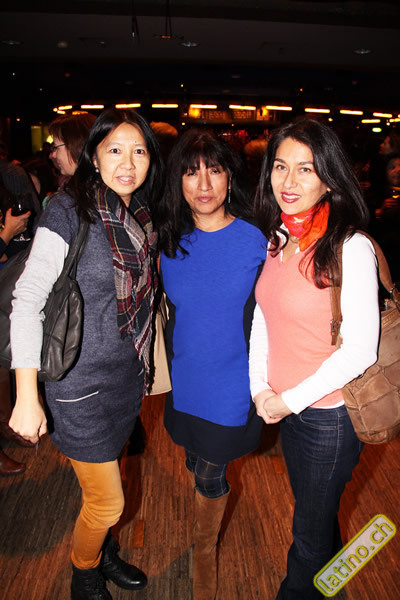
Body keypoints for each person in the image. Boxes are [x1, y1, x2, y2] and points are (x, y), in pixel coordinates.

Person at [9, 108, 164, 600]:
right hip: (77, 386)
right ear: (94, 157)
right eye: (115, 149)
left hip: (125, 380)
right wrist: (26, 395)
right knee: (108, 503)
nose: (128, 162)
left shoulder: (141, 216)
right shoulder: (68, 210)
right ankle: (84, 572)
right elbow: (27, 299)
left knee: (110, 479)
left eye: (139, 151)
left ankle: (105, 550)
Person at [249, 118, 380, 600]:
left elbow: (361, 350)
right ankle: (334, 584)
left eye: (305, 169)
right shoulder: (279, 238)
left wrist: (288, 401)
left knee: (306, 533)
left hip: (330, 418)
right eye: (280, 166)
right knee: (316, 512)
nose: (289, 181)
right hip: (288, 410)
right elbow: (264, 315)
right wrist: (260, 389)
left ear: (328, 177)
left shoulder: (350, 247)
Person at [156, 128, 266, 600]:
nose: (203, 184)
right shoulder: (168, 242)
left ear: (230, 178)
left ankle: (204, 558)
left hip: (233, 382)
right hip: (187, 379)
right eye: (191, 172)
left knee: (209, 474)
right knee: (192, 457)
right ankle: (203, 532)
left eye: (214, 170)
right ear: (177, 182)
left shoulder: (258, 240)